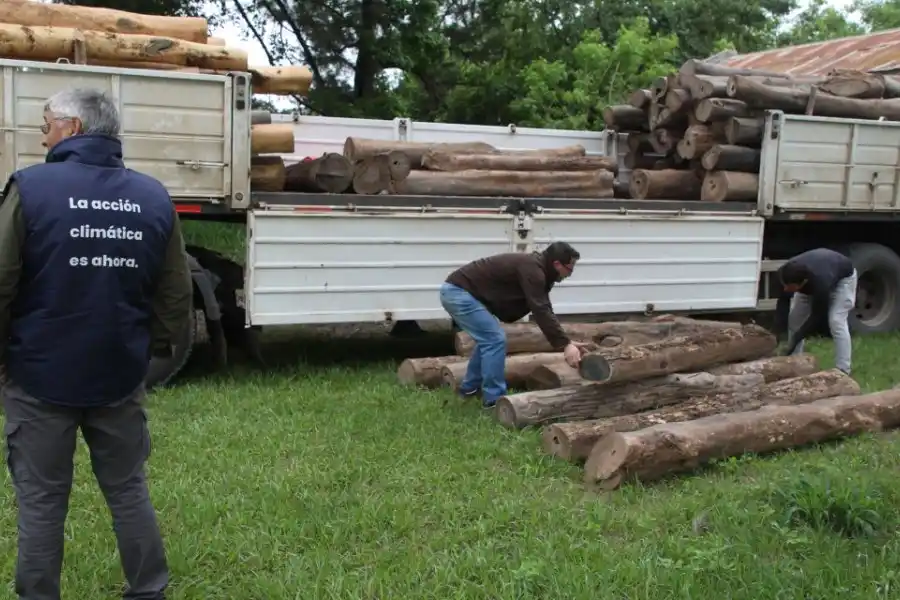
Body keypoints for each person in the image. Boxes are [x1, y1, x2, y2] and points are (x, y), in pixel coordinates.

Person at [0, 87, 193, 600]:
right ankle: (149, 590)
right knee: (128, 490)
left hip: (38, 376)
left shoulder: (30, 188)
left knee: (42, 501)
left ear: (73, 129)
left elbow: (1, 281)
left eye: (46, 123)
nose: (42, 134)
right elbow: (175, 295)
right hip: (118, 375)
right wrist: (148, 359)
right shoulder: (153, 197)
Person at [439, 241, 585, 407]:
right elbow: (541, 310)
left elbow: (544, 308)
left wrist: (566, 342)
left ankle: (469, 389)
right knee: (494, 339)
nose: (569, 274)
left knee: (489, 339)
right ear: (557, 264)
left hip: (461, 293)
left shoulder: (539, 269)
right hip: (458, 293)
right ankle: (494, 401)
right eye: (569, 269)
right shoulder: (533, 270)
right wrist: (565, 345)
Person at [774, 247, 857, 374]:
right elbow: (783, 303)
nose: (785, 289)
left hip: (843, 280)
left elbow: (817, 316)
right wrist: (777, 334)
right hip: (818, 274)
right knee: (795, 319)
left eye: (790, 287)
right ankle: (794, 363)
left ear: (802, 283)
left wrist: (797, 338)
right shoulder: (785, 274)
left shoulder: (821, 283)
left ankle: (843, 369)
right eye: (784, 285)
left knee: (836, 320)